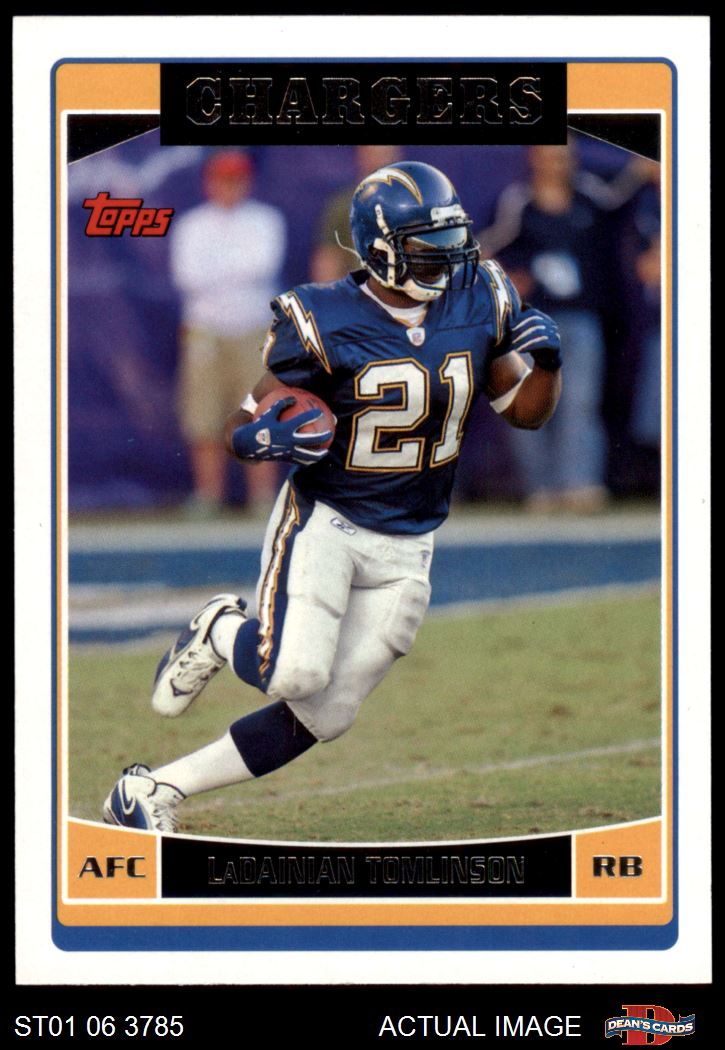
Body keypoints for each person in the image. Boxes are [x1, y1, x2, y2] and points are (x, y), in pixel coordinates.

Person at [103, 161, 562, 833]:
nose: (447, 258)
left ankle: (151, 791)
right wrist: (262, 438)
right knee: (294, 673)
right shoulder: (322, 316)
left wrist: (545, 367)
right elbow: (243, 422)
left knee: (328, 712)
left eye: (451, 239)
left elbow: (525, 412)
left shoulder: (477, 297)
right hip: (329, 519)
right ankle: (220, 627)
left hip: (412, 538)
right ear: (380, 250)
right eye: (427, 246)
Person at [478, 143, 613, 513]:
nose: (557, 163)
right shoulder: (517, 201)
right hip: (529, 321)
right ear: (534, 158)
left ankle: (578, 484)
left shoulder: (589, 195)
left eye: (564, 155)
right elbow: (480, 250)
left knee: (580, 402)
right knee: (528, 403)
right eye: (551, 154)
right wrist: (506, 280)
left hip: (581, 316)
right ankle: (541, 488)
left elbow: (623, 192)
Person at [170, 148, 287, 517]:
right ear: (209, 183)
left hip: (255, 328)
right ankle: (209, 496)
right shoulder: (192, 225)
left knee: (261, 413)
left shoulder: (265, 220)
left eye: (236, 179)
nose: (229, 187)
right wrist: (235, 269)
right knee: (204, 416)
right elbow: (188, 276)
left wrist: (218, 270)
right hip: (204, 330)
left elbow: (263, 265)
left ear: (247, 182)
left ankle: (262, 497)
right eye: (222, 179)